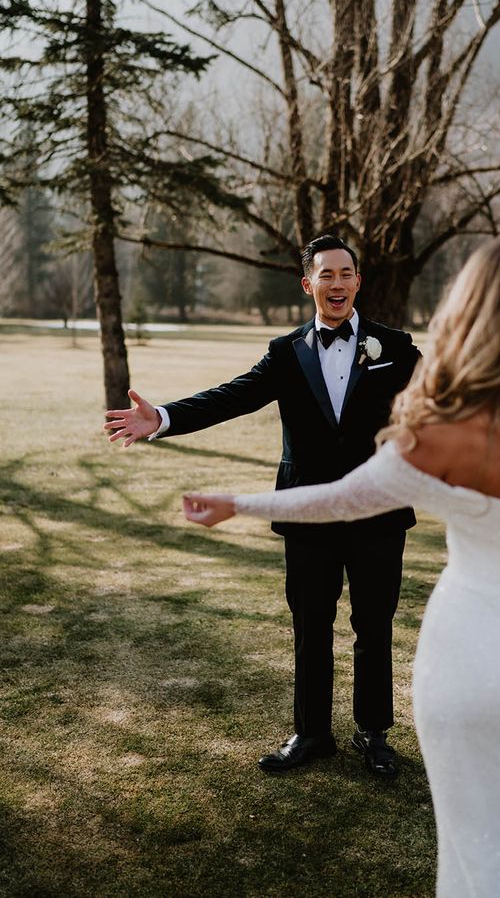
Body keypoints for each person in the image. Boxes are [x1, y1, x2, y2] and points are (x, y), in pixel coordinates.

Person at [182, 235, 500, 898]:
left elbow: (344, 499)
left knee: (474, 836)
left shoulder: (442, 417)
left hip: (466, 657)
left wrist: (238, 502)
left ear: (470, 304)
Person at [105, 235, 421, 777]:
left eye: (346, 273)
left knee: (374, 625)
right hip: (304, 511)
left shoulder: (395, 347)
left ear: (358, 282)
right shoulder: (286, 353)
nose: (338, 283)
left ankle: (373, 734)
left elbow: (443, 403)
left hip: (378, 510)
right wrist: (162, 418)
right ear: (308, 285)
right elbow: (231, 396)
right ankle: (312, 733)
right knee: (311, 623)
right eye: (327, 275)